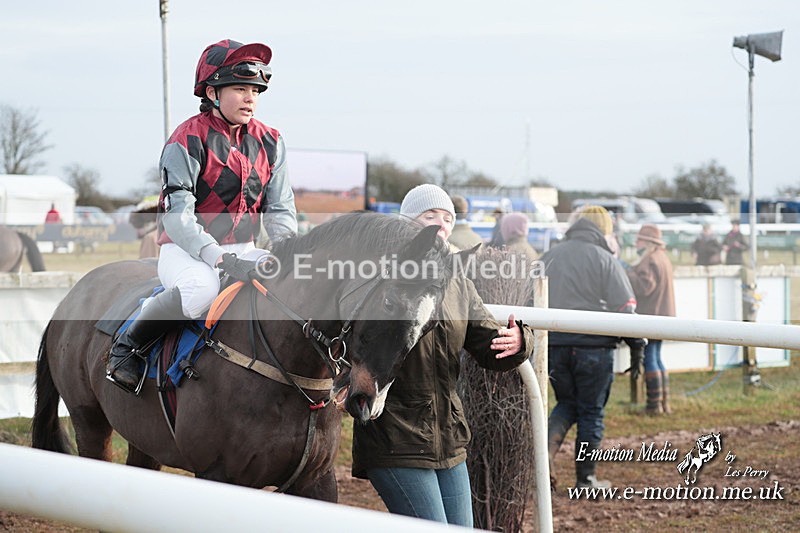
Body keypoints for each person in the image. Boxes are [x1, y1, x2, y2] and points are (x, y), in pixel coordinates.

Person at [106, 39, 297, 394]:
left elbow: (281, 209)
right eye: (240, 88)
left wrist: (286, 253)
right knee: (201, 290)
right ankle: (126, 347)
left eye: (255, 90)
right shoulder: (186, 138)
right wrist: (218, 257)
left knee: (291, 286)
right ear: (212, 91)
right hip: (186, 252)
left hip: (245, 249)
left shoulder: (272, 141)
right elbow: (178, 219)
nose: (250, 97)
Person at [351, 184, 534, 526]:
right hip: (395, 438)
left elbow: (487, 342)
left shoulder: (456, 280)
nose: (441, 225)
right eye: (429, 216)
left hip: (449, 440)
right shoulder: (381, 274)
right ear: (406, 222)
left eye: (447, 218)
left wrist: (520, 341)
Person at [540, 205, 645, 489]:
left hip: (555, 347)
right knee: (591, 411)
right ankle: (586, 479)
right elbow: (626, 309)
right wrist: (638, 349)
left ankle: (543, 460)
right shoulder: (605, 259)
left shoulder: (549, 256)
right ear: (603, 229)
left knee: (567, 404)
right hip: (594, 349)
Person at [626, 224, 675, 415]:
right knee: (657, 357)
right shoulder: (663, 258)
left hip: (651, 316)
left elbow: (644, 287)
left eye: (639, 240)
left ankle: (654, 406)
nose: (636, 243)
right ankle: (664, 403)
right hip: (662, 316)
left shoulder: (650, 260)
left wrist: (628, 272)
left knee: (649, 359)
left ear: (648, 242)